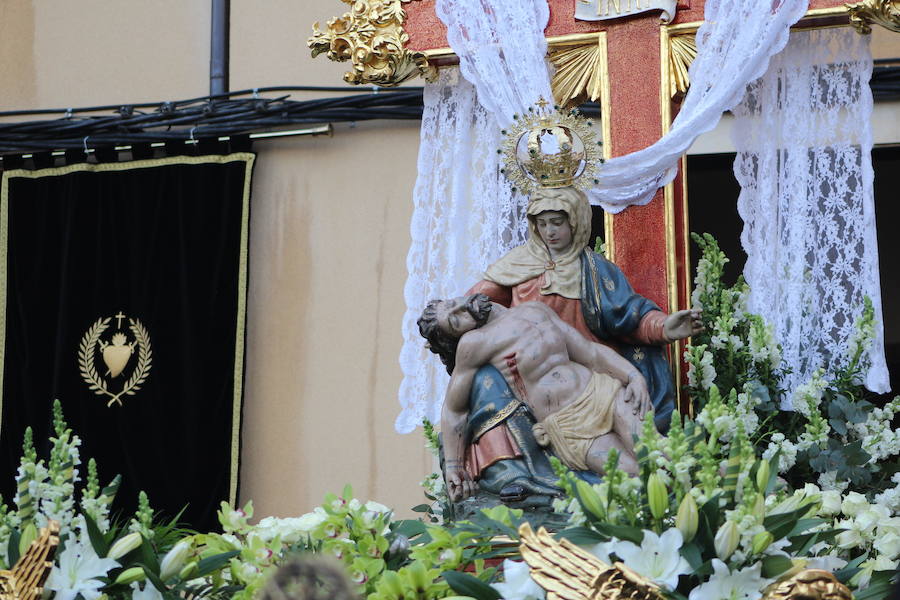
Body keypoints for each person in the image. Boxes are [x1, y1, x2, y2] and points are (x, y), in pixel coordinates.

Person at [458, 186, 701, 501]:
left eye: (557, 222)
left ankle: (717, 483)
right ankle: (509, 473)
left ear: (576, 221)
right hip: (540, 389)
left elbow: (630, 316)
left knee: (652, 451)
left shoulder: (595, 270)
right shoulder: (514, 267)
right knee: (631, 468)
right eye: (542, 223)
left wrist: (664, 327)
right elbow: (470, 311)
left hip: (592, 376)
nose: (550, 231)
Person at [419, 294, 651, 502]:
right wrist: (453, 466)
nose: (461, 308)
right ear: (460, 336)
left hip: (604, 391)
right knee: (634, 476)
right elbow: (454, 410)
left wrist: (632, 376)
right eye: (455, 321)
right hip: (571, 424)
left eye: (452, 304)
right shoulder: (475, 343)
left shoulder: (535, 309)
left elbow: (590, 353)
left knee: (658, 454)